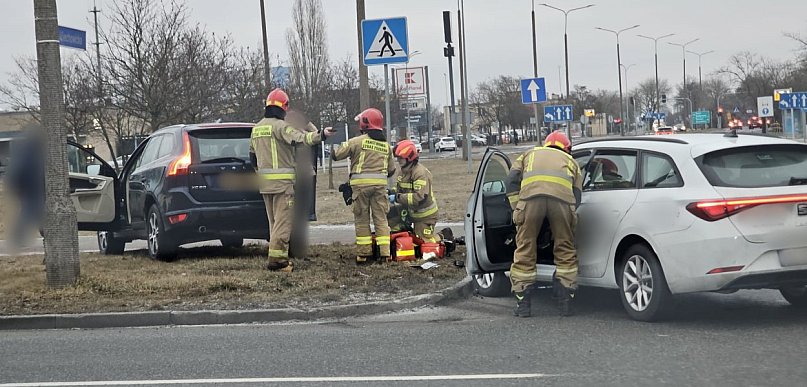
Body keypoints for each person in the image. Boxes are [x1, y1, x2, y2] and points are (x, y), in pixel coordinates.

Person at [249, 88, 334, 272]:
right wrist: (321, 135)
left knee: (273, 223)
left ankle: (276, 256)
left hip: (264, 185)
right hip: (283, 185)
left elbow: (252, 157)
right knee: (283, 222)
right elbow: (300, 139)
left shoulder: (257, 128)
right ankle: (278, 261)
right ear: (284, 107)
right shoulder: (281, 126)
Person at [505, 130, 583, 317]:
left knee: (525, 248)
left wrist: (518, 207)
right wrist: (567, 215)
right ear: (567, 148)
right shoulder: (571, 162)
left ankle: (523, 304)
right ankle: (566, 302)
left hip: (530, 200)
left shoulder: (529, 154)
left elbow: (511, 181)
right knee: (565, 247)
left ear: (546, 144)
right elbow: (577, 195)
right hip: (562, 201)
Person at [332, 108, 396, 264]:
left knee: (362, 220)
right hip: (380, 188)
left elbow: (336, 155)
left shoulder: (357, 141)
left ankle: (364, 254)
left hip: (360, 189)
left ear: (364, 123)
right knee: (381, 220)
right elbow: (391, 170)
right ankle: (385, 254)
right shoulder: (386, 146)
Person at [391, 139, 440, 243]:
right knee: (390, 215)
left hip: (425, 216)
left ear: (409, 157)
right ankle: (405, 233)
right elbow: (400, 189)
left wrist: (397, 197)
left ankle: (443, 237)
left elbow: (419, 198)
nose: (398, 160)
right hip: (411, 212)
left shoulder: (420, 173)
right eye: (397, 157)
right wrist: (392, 192)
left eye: (401, 158)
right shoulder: (402, 172)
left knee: (422, 242)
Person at [4, 129, 45, 251]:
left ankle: (45, 233)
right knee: (32, 211)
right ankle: (19, 235)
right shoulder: (33, 155)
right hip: (32, 187)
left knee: (36, 211)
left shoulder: (26, 153)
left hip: (28, 187)